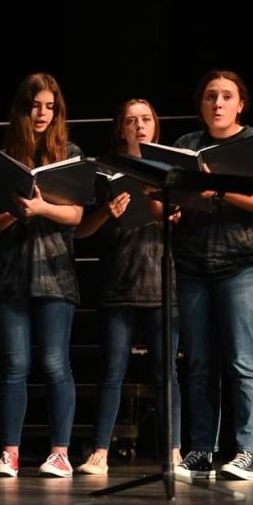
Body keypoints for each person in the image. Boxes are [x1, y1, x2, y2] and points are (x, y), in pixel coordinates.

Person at [172, 71, 253, 482]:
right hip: (193, 264)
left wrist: (216, 190)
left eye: (226, 97)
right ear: (201, 105)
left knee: (242, 358)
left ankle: (248, 450)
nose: (217, 104)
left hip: (245, 263)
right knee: (199, 362)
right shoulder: (186, 145)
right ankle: (201, 449)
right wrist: (172, 205)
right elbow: (171, 203)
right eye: (210, 97)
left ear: (241, 104)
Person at [0, 72, 83, 478]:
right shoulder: (5, 155)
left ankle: (60, 453)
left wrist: (41, 210)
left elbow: (75, 215)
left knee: (55, 363)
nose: (42, 113)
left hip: (56, 274)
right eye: (35, 105)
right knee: (14, 364)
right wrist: (13, 212)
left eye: (49, 107)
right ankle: (10, 452)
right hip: (12, 275)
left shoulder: (70, 153)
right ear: (23, 109)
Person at [74, 98, 181, 475]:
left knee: (165, 372)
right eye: (131, 120)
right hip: (118, 282)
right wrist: (106, 212)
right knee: (112, 370)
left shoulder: (170, 167)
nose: (139, 126)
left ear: (155, 125)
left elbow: (186, 220)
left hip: (160, 282)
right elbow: (81, 230)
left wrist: (171, 212)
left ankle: (173, 452)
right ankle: (99, 451)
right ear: (120, 128)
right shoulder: (104, 170)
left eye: (145, 119)